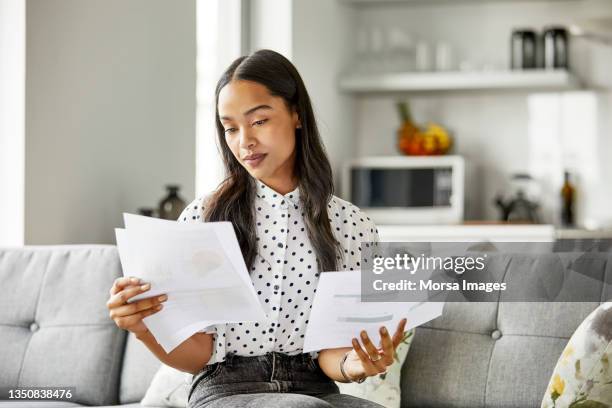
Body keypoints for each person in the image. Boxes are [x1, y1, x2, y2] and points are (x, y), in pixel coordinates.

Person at [107, 49, 409, 408]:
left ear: (296, 114)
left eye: (259, 121)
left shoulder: (351, 225)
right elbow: (199, 354)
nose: (244, 141)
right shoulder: (204, 217)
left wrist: (355, 363)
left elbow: (330, 354)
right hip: (227, 388)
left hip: (315, 389)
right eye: (230, 128)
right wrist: (142, 329)